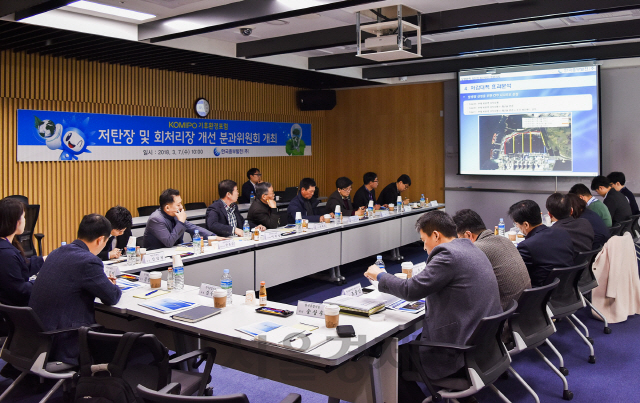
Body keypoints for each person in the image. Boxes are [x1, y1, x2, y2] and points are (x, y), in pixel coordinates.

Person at [365, 211, 501, 401]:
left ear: (436, 235)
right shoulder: (472, 248)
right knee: (411, 344)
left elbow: (410, 290)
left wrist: (379, 275)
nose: (423, 246)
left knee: (387, 362)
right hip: (484, 348)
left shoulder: (447, 254)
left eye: (423, 239)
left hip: (459, 352)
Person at [29, 214, 121, 365]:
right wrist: (111, 285)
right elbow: (111, 297)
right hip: (63, 340)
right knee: (130, 342)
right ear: (100, 240)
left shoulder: (57, 252)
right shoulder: (89, 261)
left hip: (36, 336)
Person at [452, 209, 530, 311]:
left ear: (468, 235)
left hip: (506, 315)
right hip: (526, 309)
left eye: (459, 238)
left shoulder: (477, 249)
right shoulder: (505, 240)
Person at [508, 200, 574, 287]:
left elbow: (517, 275)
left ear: (526, 225)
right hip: (568, 288)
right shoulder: (562, 233)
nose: (517, 227)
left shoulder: (526, 246)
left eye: (516, 224)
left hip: (541, 293)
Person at [0, 198, 45, 306]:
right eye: (23, 217)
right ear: (16, 221)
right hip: (16, 314)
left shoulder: (6, 247)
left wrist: (46, 259)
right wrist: (42, 281)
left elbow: (22, 266)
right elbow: (21, 292)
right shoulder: (6, 254)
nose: (25, 220)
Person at [144, 189, 212, 250]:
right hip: (158, 257)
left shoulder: (175, 214)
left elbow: (192, 227)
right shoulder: (156, 219)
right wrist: (181, 222)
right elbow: (169, 242)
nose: (182, 207)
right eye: (178, 205)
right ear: (167, 207)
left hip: (175, 252)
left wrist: (213, 236)